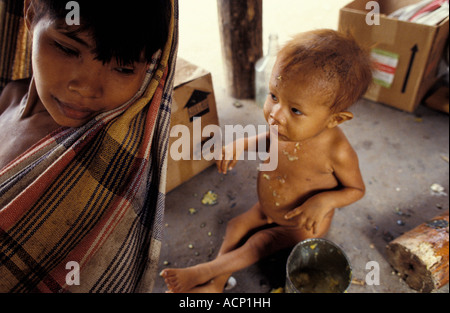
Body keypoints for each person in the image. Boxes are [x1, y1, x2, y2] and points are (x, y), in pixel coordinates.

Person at [161, 29, 372, 293]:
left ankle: (207, 272)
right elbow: (269, 139)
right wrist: (241, 144)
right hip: (267, 207)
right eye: (273, 96)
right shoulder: (286, 126)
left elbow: (356, 190)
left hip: (300, 223)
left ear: (335, 119)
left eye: (295, 110)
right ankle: (215, 285)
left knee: (259, 243)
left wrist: (324, 201)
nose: (275, 115)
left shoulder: (336, 151)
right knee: (236, 225)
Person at [0, 0, 178, 293]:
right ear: (30, 15)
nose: (86, 88)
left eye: (123, 68)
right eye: (68, 49)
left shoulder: (100, 169)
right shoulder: (9, 95)